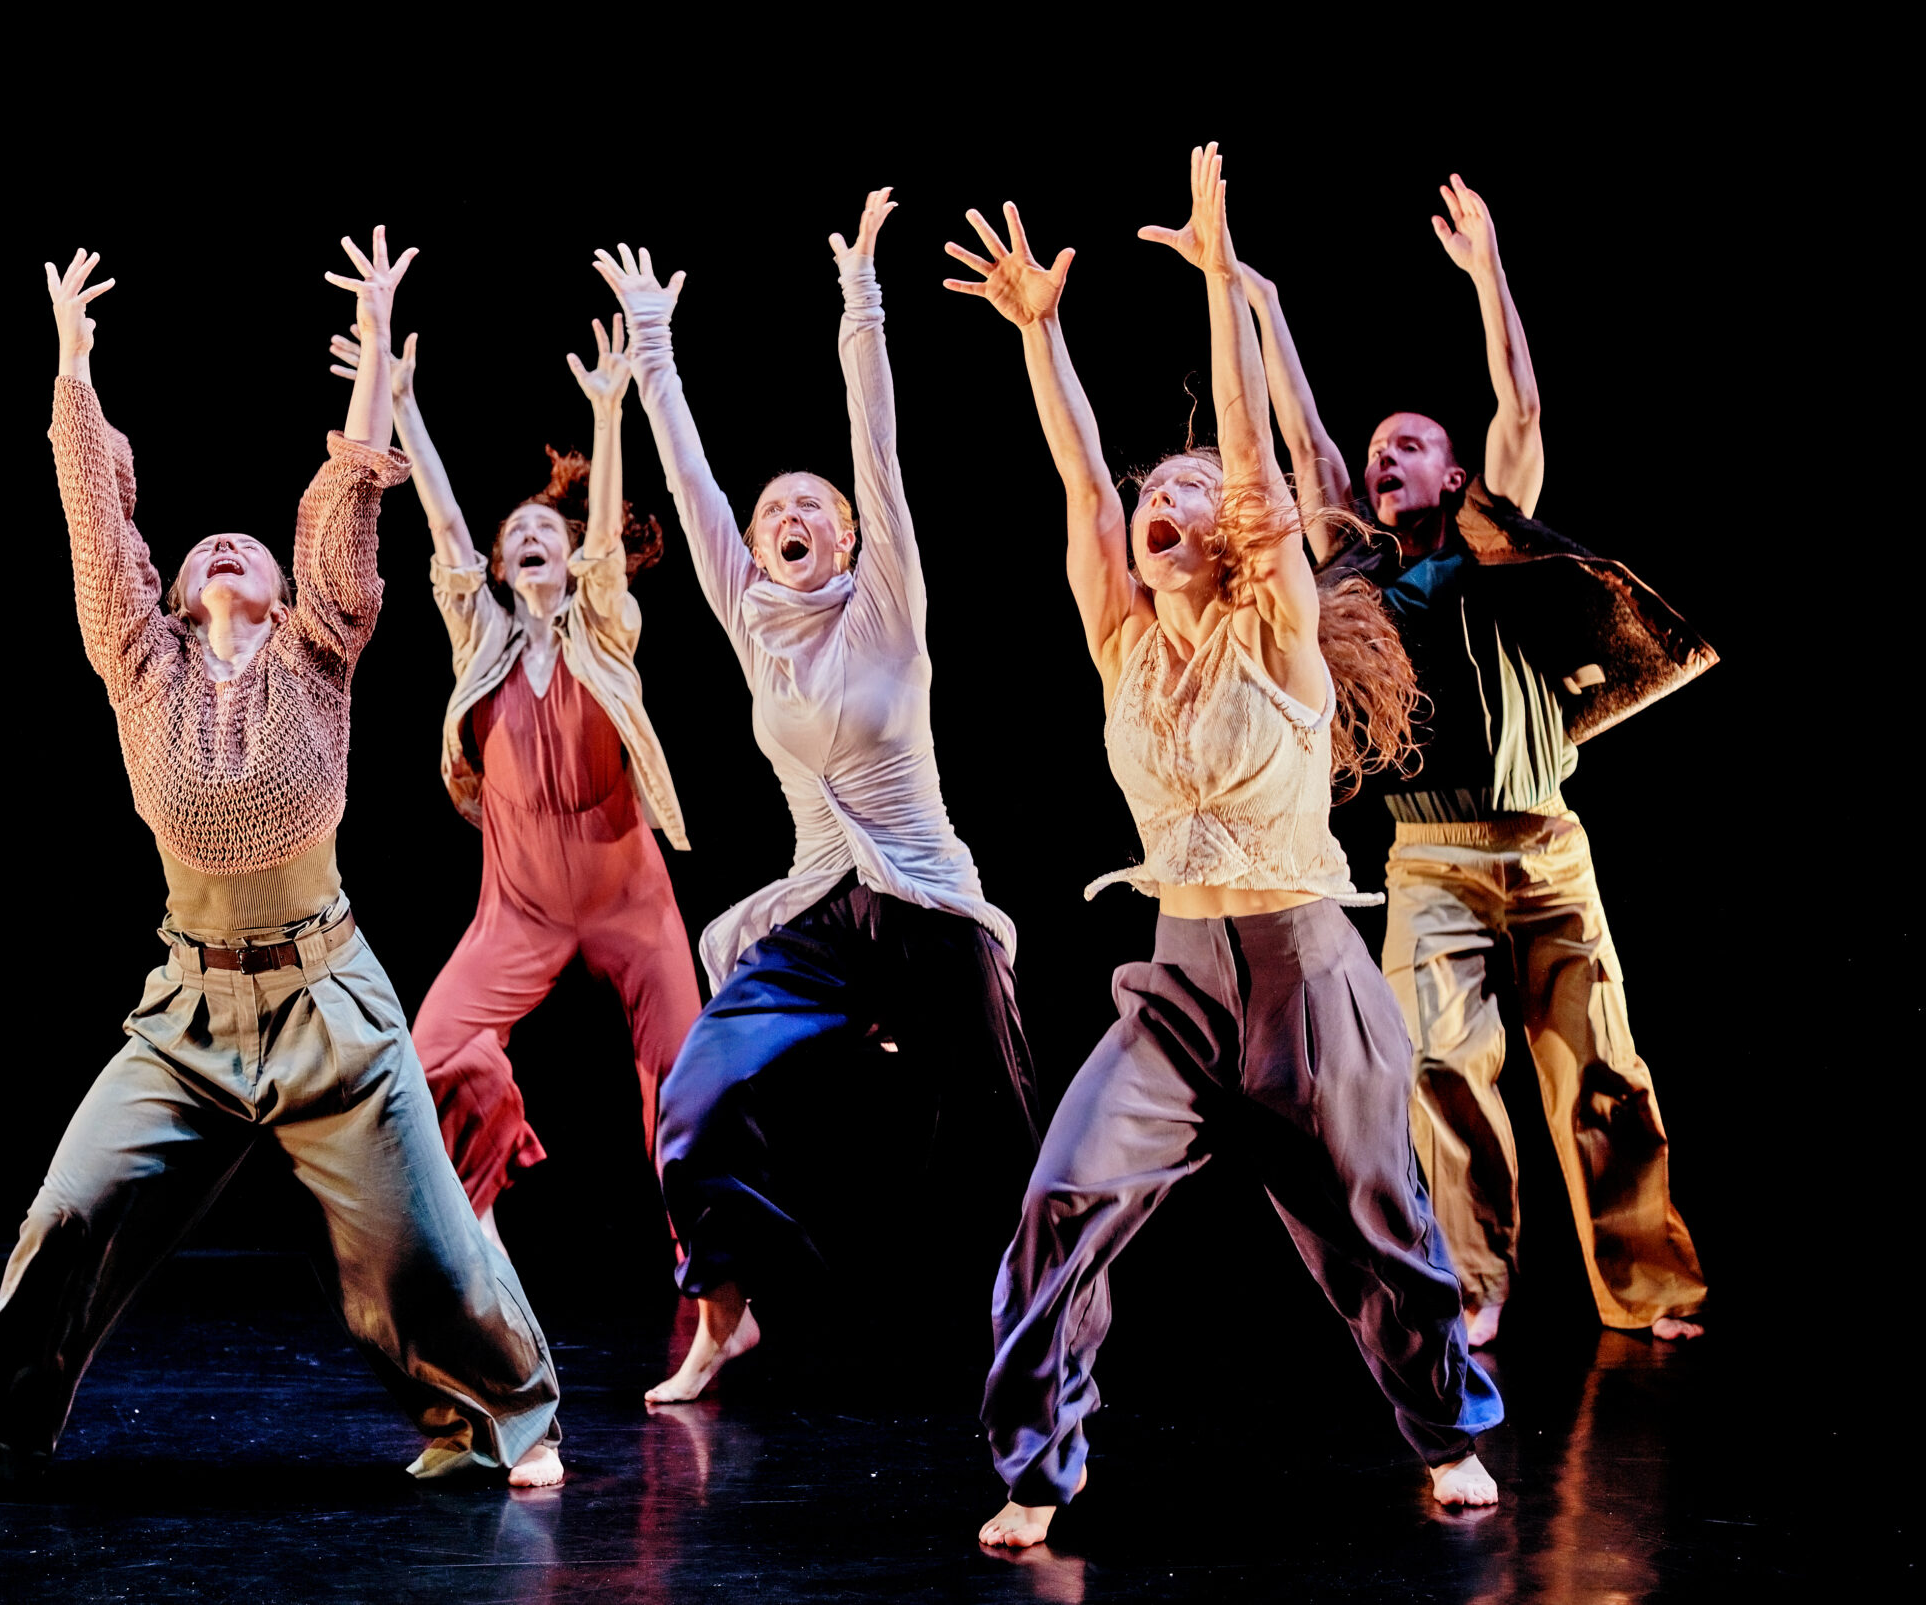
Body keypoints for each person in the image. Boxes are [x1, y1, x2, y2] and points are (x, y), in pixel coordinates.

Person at [0, 234, 564, 1495]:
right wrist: (72, 370)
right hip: (189, 1013)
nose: (227, 552)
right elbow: (100, 530)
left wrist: (371, 348)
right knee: (71, 1210)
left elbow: (347, 503)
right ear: (183, 588)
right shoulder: (142, 665)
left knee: (417, 1250)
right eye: (207, 550)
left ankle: (502, 1417)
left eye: (247, 546)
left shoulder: (322, 649)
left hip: (333, 1005)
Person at [949, 155, 1501, 1551]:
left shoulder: (1283, 633)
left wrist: (1217, 284)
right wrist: (1039, 333)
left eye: (1193, 490)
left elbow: (1251, 456)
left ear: (1241, 532)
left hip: (1311, 978)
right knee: (1062, 1198)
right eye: (1159, 491)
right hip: (1179, 982)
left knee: (1378, 1232)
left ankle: (1451, 1431)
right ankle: (1038, 1463)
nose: (1165, 499)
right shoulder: (1123, 636)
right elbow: (1080, 477)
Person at [1216, 174, 1714, 1348]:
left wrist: (1490, 275)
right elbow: (1305, 438)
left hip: (1548, 849)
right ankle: (1475, 1282)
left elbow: (1523, 411)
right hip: (1429, 856)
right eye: (1377, 450)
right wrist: (1256, 299)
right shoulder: (1355, 572)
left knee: (1603, 1071)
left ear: (1452, 476)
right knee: (1439, 1066)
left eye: (1411, 447)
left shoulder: (1500, 546)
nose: (1385, 460)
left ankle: (1643, 1288)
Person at [593, 190, 1040, 1408]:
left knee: (1001, 1134)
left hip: (930, 910)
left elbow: (875, 443)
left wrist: (860, 300)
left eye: (813, 509)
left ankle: (1041, 1332)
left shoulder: (888, 606)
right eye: (774, 509)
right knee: (693, 1094)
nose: (792, 517)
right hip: (820, 919)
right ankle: (723, 1314)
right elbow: (687, 477)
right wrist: (651, 347)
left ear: (848, 537)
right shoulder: (750, 623)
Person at [333, 309, 702, 1249]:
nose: (532, 537)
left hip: (630, 895)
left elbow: (609, 552)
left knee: (686, 1075)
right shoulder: (484, 644)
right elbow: (445, 526)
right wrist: (407, 410)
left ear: (570, 557)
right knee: (436, 1052)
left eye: (550, 529)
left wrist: (611, 413)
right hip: (521, 905)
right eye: (518, 533)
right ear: (502, 564)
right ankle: (483, 1217)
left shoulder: (604, 633)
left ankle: (710, 1279)